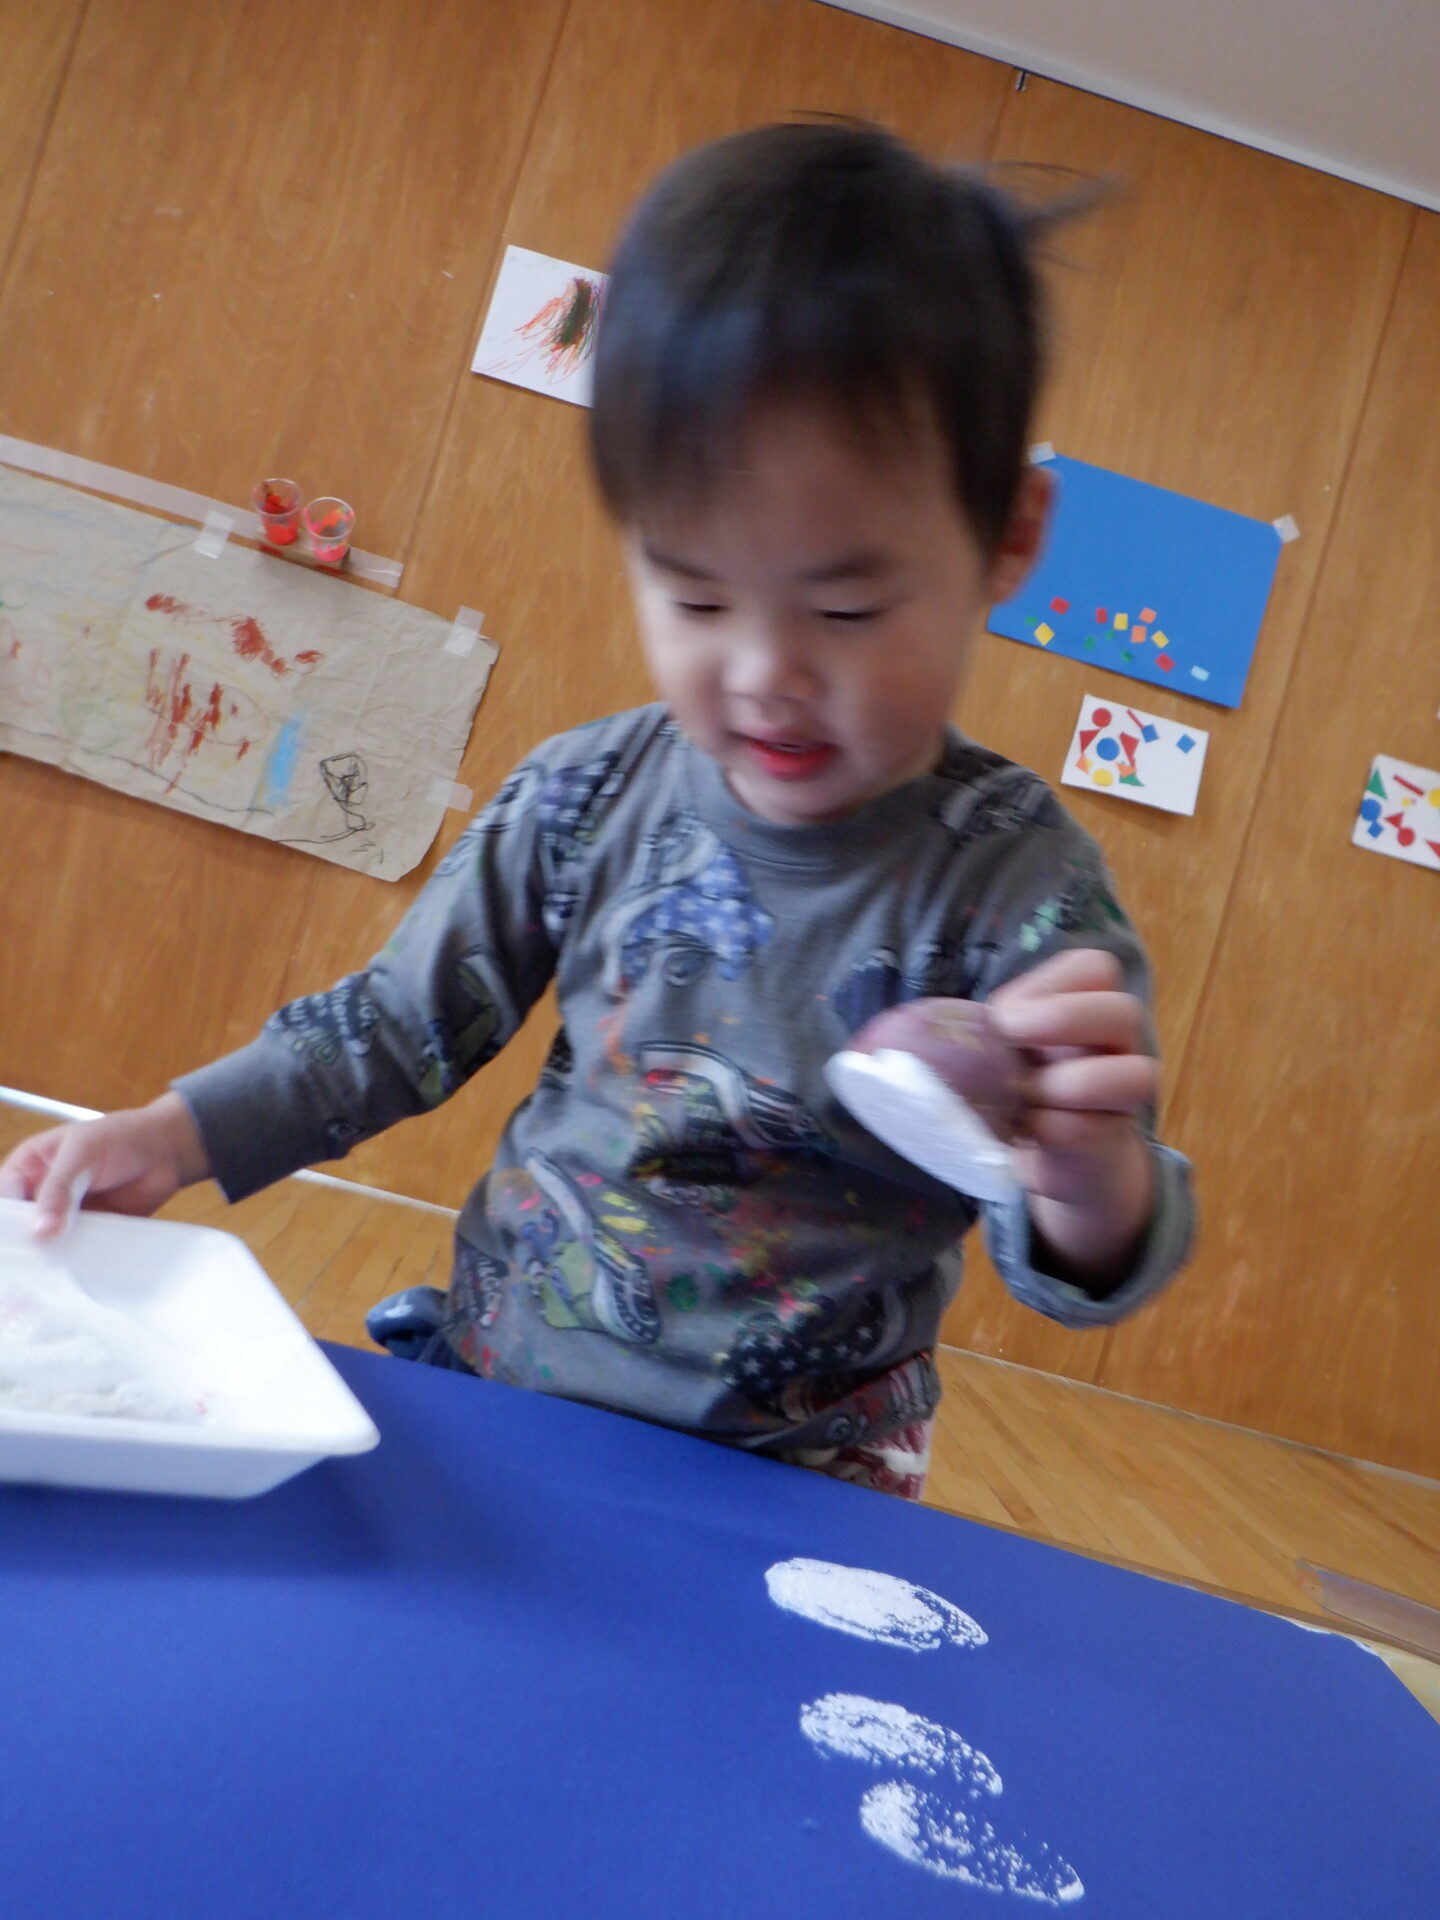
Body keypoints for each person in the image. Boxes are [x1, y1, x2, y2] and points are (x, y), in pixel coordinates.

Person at [0, 122, 1192, 1500]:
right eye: (695, 596)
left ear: (1009, 540)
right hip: (505, 1393)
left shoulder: (1021, 887)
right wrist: (170, 1135)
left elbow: (1083, 1266)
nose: (766, 673)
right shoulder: (586, 793)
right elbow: (390, 1029)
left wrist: (1089, 1177)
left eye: (850, 608)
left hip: (808, 1479)